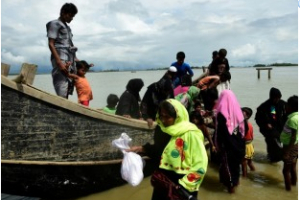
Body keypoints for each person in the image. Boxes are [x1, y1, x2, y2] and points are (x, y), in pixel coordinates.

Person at [127, 99, 208, 200]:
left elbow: (200, 164)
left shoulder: (191, 134)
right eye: (161, 116)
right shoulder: (162, 129)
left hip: (182, 183)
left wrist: (185, 185)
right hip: (163, 180)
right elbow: (159, 149)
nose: (163, 120)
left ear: (177, 117)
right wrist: (142, 148)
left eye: (167, 117)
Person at [214, 90, 246, 193]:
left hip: (228, 147)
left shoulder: (221, 114)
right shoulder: (238, 112)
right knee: (235, 167)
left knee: (228, 169)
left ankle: (231, 192)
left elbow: (220, 132)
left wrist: (217, 145)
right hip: (239, 145)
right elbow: (242, 130)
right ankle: (236, 185)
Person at [46, 3, 79, 99]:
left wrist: (77, 59)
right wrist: (59, 62)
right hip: (61, 57)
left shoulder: (68, 28)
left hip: (69, 59)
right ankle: (61, 106)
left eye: (73, 16)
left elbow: (69, 44)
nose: (71, 18)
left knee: (68, 84)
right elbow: (51, 44)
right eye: (70, 15)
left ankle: (64, 107)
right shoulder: (54, 24)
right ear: (63, 12)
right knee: (61, 84)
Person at [255, 87, 287, 162]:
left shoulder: (283, 104)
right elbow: (258, 119)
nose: (277, 100)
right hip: (268, 130)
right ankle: (272, 159)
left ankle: (278, 158)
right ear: (271, 97)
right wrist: (266, 124)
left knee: (280, 144)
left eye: (279, 98)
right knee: (271, 144)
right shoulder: (264, 106)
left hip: (281, 128)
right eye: (275, 98)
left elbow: (288, 115)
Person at [280, 95, 298, 191]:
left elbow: (293, 136)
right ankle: (294, 185)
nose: (285, 106)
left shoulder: (292, 119)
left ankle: (288, 190)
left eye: (287, 104)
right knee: (293, 167)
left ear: (291, 107)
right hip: (295, 146)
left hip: (290, 146)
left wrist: (287, 152)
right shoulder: (296, 116)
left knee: (285, 170)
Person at [241, 107, 255, 177]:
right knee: (249, 163)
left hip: (245, 146)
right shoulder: (250, 124)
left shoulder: (243, 125)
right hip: (250, 145)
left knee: (243, 163)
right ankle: (253, 172)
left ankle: (244, 177)